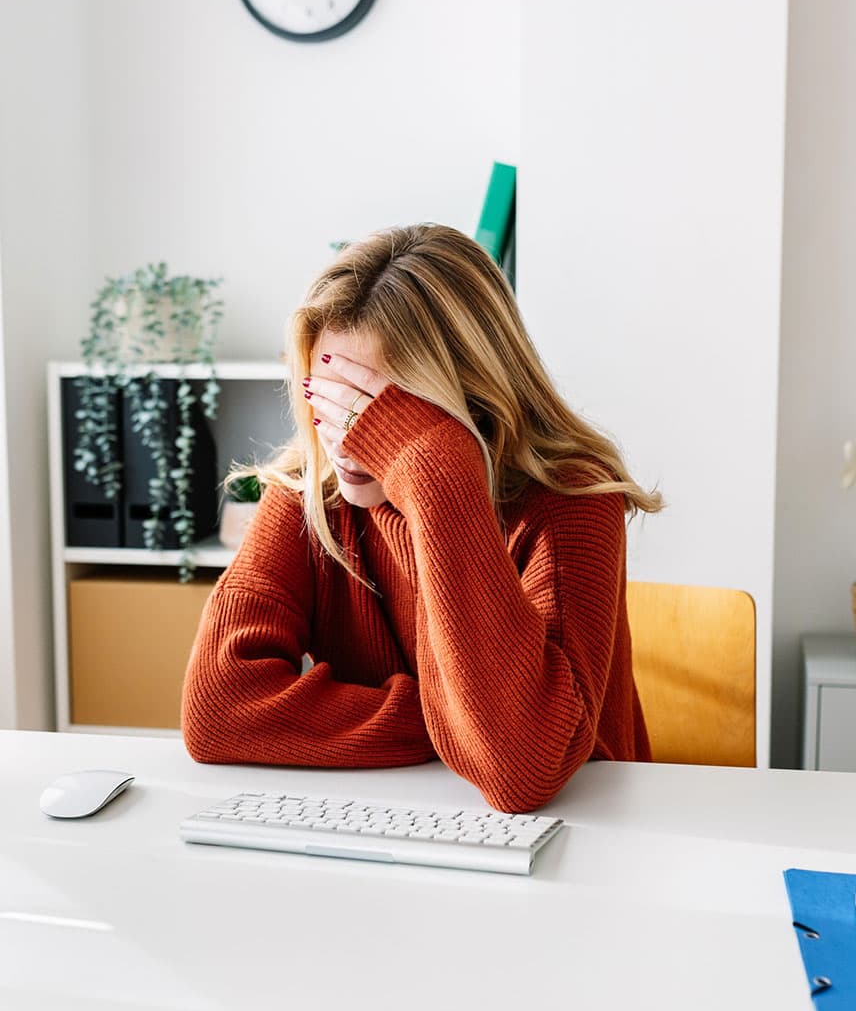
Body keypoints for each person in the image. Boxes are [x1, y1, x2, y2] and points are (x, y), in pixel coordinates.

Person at [181, 223, 662, 813]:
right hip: (405, 824)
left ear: (473, 396)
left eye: (383, 415)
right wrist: (445, 721)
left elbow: (522, 771)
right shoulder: (315, 489)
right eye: (332, 404)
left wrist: (435, 481)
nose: (347, 444)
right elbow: (218, 709)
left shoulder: (570, 498)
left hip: (588, 832)